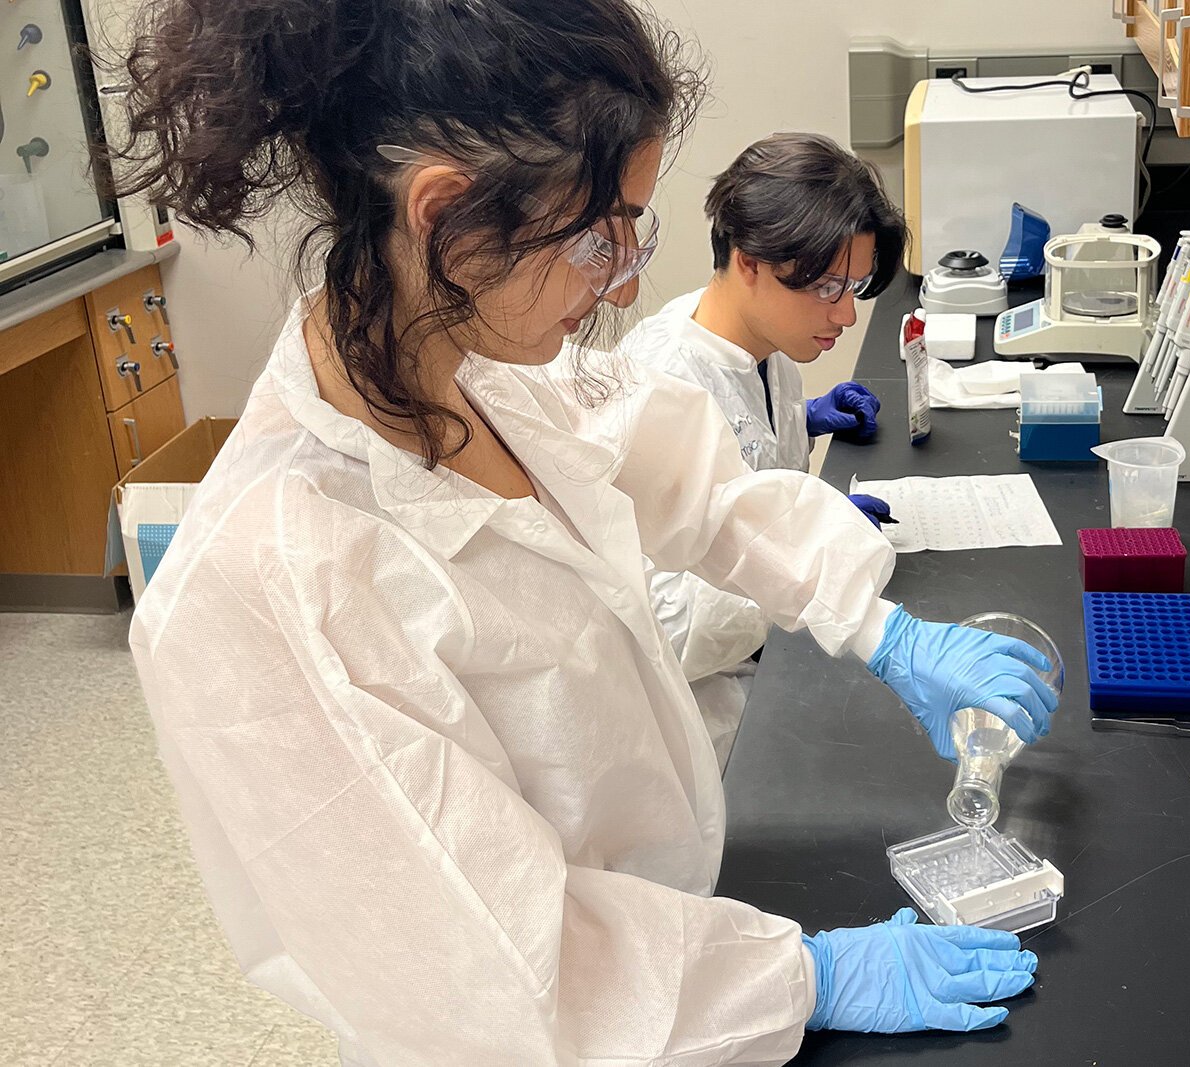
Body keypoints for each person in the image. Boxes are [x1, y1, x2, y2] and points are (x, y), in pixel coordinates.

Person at [114, 1, 1057, 1063]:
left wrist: (878, 626)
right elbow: (496, 971)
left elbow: (692, 480)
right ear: (446, 214)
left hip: (678, 946)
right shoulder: (273, 587)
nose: (627, 278)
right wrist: (806, 976)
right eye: (599, 233)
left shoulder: (484, 369)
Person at [617, 132, 907, 767]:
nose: (846, 316)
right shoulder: (659, 386)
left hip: (773, 665)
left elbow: (744, 458)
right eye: (827, 288)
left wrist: (804, 419)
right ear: (750, 262)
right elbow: (659, 624)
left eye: (854, 288)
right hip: (709, 718)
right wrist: (810, 561)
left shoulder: (764, 348)